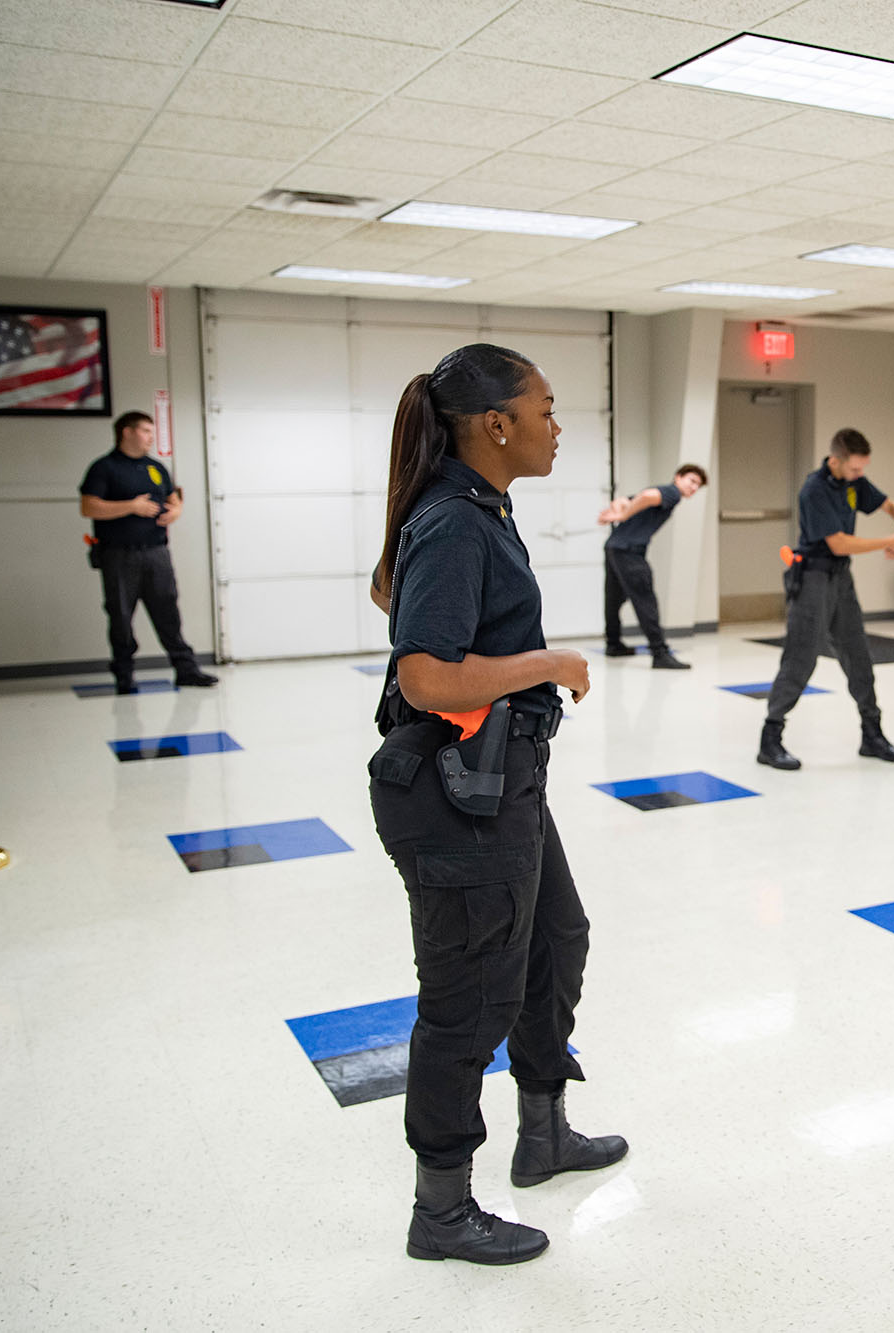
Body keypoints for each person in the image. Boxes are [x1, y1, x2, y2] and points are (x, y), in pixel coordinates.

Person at [366, 344, 626, 1267]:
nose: (558, 427)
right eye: (547, 410)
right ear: (497, 425)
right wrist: (549, 663)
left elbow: (411, 609)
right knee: (467, 1003)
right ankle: (440, 1211)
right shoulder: (456, 519)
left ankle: (544, 1128)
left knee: (557, 940)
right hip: (453, 794)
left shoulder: (475, 507)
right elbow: (428, 675)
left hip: (501, 776)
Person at [757, 428, 894, 771]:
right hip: (813, 577)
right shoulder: (814, 489)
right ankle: (770, 739)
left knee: (858, 655)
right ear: (835, 461)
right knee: (801, 657)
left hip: (841, 579)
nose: (861, 476)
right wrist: (890, 541)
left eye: (863, 470)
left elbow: (887, 504)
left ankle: (871, 734)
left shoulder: (854, 483)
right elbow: (838, 543)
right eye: (856, 469)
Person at [77, 411, 217, 693]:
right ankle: (124, 674)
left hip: (156, 553)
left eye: (152, 432)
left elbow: (174, 498)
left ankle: (186, 670)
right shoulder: (104, 468)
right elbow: (89, 507)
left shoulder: (155, 468)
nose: (150, 437)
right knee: (121, 617)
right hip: (119, 555)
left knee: (168, 612)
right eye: (145, 431)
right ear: (126, 432)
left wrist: (175, 511)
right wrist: (131, 507)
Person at [597, 463, 707, 669]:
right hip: (629, 551)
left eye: (697, 486)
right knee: (645, 600)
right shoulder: (672, 493)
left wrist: (617, 510)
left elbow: (621, 500)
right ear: (678, 477)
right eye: (691, 481)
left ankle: (613, 645)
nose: (693, 488)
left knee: (613, 599)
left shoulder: (666, 493)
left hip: (614, 547)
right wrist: (623, 515)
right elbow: (648, 496)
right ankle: (660, 653)